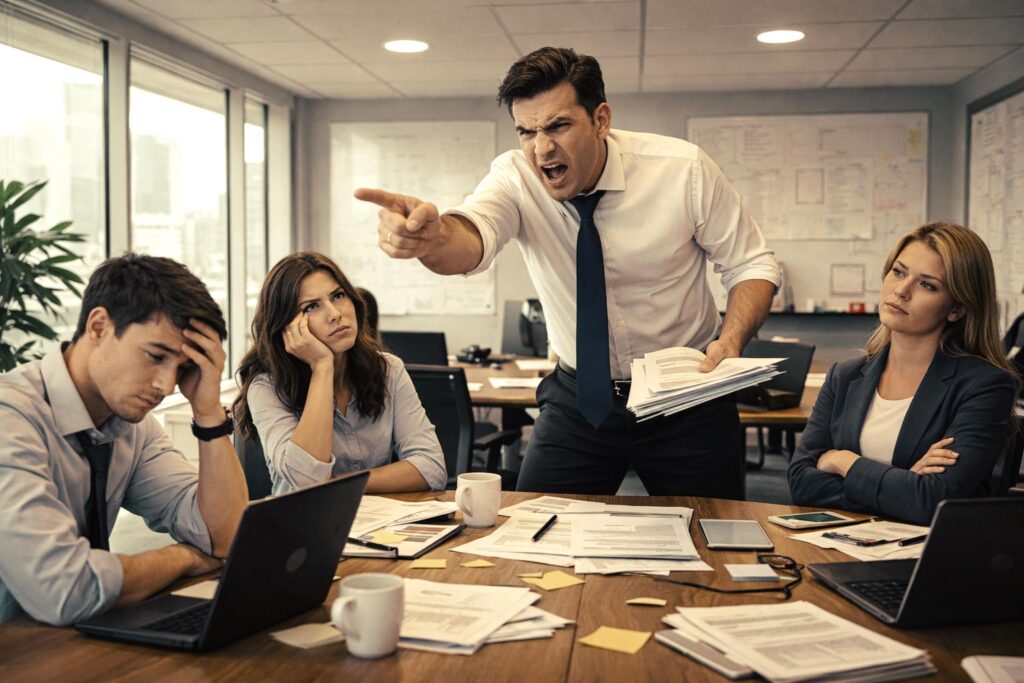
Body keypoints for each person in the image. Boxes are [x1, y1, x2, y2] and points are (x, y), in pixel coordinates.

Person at [355, 47, 780, 497]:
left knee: (716, 540)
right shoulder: (515, 177)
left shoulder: (682, 170)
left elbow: (751, 263)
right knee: (533, 527)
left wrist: (729, 342)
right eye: (526, 131)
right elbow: (472, 234)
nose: (541, 149)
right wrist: (432, 240)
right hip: (581, 398)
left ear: (601, 119)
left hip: (685, 395)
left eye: (558, 126)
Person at [0, 254, 247, 626]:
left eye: (181, 368)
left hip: (66, 646)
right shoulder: (11, 418)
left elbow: (223, 538)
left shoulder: (130, 425)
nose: (166, 386)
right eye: (155, 356)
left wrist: (209, 412)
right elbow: (65, 590)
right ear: (98, 326)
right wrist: (182, 557)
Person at [788, 223, 1018, 525]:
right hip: (837, 544)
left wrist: (845, 462)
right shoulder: (844, 376)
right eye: (898, 272)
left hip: (928, 559)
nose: (901, 290)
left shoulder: (985, 386)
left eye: (927, 285)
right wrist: (904, 482)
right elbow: (801, 483)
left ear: (957, 309)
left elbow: (932, 501)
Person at [233, 252, 446, 495]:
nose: (335, 313)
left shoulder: (389, 371)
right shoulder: (266, 387)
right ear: (286, 328)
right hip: (304, 529)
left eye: (338, 295)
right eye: (311, 306)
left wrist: (341, 482)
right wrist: (322, 367)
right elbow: (307, 482)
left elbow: (432, 467)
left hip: (381, 528)